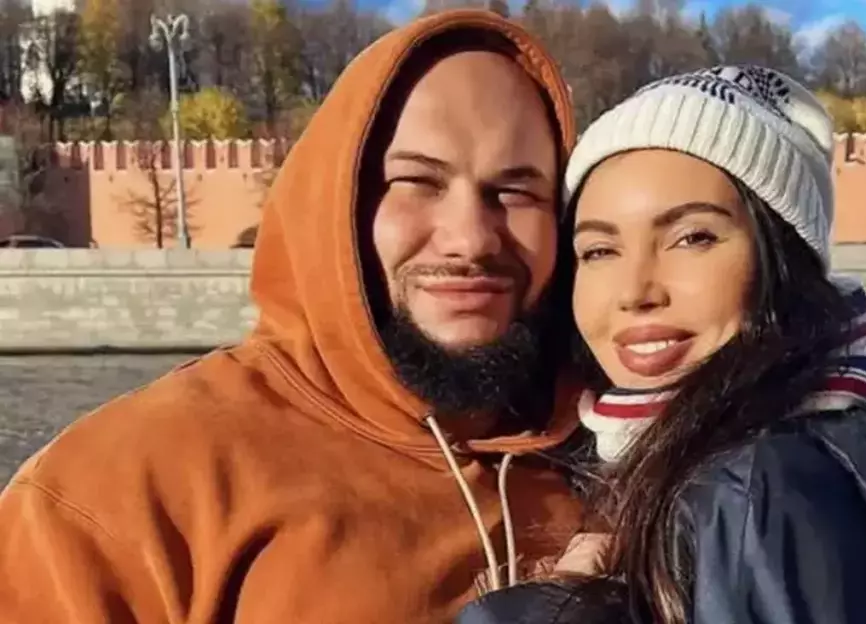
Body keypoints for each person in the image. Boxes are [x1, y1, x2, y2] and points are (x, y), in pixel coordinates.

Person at [456, 65, 866, 623]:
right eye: (599, 250)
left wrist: (552, 607)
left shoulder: (749, 493)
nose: (635, 291)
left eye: (692, 237)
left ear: (780, 263)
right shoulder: (841, 455)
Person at [0, 10, 587, 622]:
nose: (472, 239)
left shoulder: (608, 460)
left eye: (517, 191)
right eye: (417, 181)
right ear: (335, 201)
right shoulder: (118, 492)